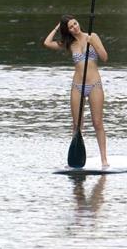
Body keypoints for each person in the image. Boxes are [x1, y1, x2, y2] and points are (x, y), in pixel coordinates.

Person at [44, 15, 109, 166]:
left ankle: (104, 159)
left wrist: (94, 44)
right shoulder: (69, 44)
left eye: (75, 24)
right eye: (70, 27)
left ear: (78, 23)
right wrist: (57, 27)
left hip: (94, 86)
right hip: (77, 87)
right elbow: (47, 43)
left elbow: (105, 57)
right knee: (76, 124)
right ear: (68, 31)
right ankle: (75, 159)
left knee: (97, 123)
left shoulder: (92, 37)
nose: (74, 27)